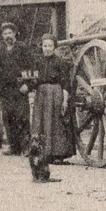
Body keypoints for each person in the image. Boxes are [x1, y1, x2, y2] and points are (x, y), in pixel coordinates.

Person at [28, 34, 72, 182]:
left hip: (55, 93)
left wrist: (64, 100)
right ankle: (42, 153)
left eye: (50, 46)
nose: (47, 48)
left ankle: (57, 154)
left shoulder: (60, 62)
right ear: (42, 46)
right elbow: (33, 80)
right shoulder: (37, 61)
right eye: (45, 46)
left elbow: (66, 83)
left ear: (54, 47)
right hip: (41, 94)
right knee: (41, 123)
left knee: (55, 122)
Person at [0, 22, 33, 155]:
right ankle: (13, 147)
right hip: (5, 90)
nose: (7, 36)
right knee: (8, 118)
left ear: (14, 33)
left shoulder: (23, 48)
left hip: (20, 88)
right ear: (2, 36)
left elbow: (31, 67)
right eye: (5, 34)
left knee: (22, 117)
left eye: (10, 33)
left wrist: (28, 84)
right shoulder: (0, 50)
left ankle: (26, 147)